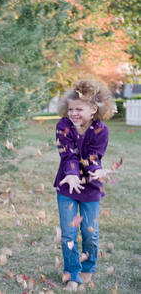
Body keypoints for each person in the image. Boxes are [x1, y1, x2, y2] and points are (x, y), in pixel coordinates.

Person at [54, 79, 116, 292]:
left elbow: (93, 156)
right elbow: (68, 153)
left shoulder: (102, 131)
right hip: (66, 187)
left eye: (79, 109)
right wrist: (71, 175)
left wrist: (96, 171)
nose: (73, 113)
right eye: (70, 109)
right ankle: (72, 273)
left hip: (91, 188)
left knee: (90, 232)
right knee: (69, 233)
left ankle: (87, 268)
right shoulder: (63, 126)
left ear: (93, 109)